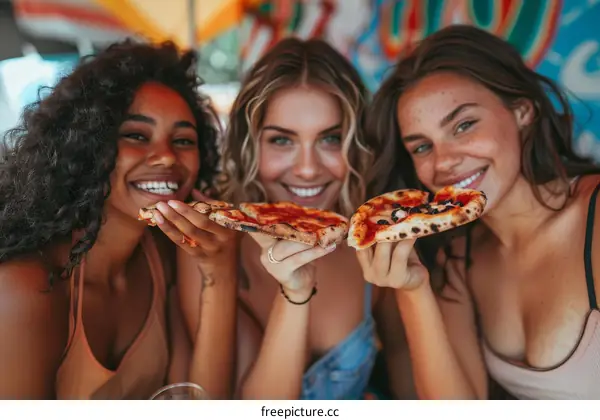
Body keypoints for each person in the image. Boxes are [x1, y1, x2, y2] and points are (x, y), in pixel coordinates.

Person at [360, 23, 600, 400]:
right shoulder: (459, 260)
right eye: (422, 147)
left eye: (464, 125)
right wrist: (413, 289)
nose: (445, 163)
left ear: (523, 111)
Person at [0, 40, 238, 399]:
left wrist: (220, 272)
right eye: (136, 136)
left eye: (184, 140)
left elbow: (200, 402)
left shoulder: (163, 254)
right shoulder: (25, 289)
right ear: (86, 147)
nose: (165, 157)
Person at [207, 37, 415, 400]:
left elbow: (409, 381)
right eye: (281, 141)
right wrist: (295, 294)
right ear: (249, 144)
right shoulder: (211, 246)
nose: (307, 169)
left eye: (331, 139)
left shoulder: (376, 243)